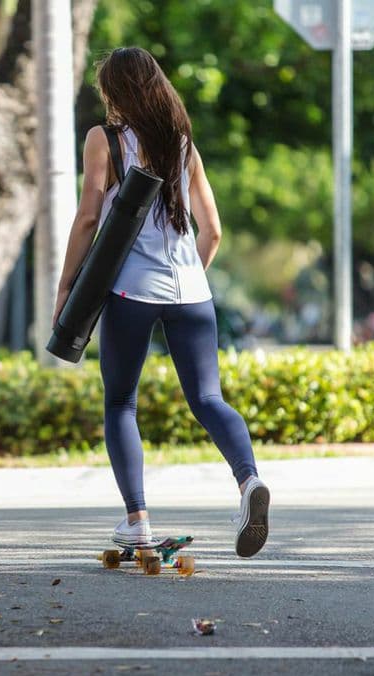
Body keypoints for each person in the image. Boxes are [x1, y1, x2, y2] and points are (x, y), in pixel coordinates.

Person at [51, 47, 270, 558]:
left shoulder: (104, 140)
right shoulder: (183, 144)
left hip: (130, 290)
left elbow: (88, 219)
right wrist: (188, 282)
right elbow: (212, 231)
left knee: (121, 402)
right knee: (208, 399)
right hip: (192, 291)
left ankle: (137, 521)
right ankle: (249, 480)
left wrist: (66, 288)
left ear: (114, 91)